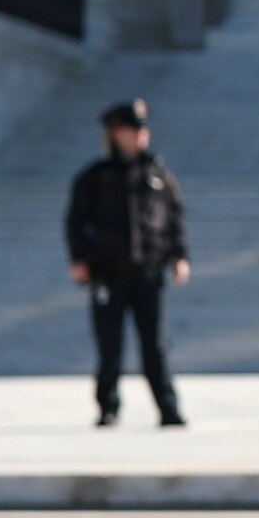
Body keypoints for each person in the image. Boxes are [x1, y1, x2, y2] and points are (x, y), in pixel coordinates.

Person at [65, 98, 188, 430]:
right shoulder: (96, 177)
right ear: (116, 133)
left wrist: (180, 257)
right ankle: (108, 408)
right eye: (134, 129)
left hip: (148, 272)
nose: (141, 135)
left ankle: (168, 408)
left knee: (156, 346)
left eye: (143, 128)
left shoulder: (158, 175)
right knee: (110, 347)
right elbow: (76, 222)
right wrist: (79, 259)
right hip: (108, 273)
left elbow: (174, 220)